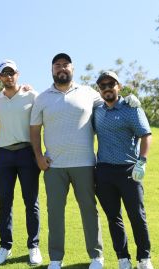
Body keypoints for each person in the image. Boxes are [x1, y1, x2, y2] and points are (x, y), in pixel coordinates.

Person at [30, 53, 105, 269]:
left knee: (89, 210)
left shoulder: (89, 93)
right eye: (57, 66)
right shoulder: (42, 98)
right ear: (52, 70)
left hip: (85, 164)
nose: (61, 68)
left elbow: (112, 103)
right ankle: (55, 259)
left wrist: (129, 100)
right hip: (54, 166)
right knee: (55, 212)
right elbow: (34, 130)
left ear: (72, 68)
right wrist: (38, 156)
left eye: (65, 65)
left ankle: (96, 256)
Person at [93, 71, 154, 269]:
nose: (107, 88)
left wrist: (142, 161)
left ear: (118, 86)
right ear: (99, 90)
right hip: (103, 172)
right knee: (113, 217)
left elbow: (146, 134)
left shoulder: (131, 108)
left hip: (128, 171)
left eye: (111, 83)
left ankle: (144, 258)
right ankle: (123, 258)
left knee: (137, 215)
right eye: (103, 85)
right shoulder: (98, 111)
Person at [0, 60, 42, 266]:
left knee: (31, 202)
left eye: (11, 73)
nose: (8, 76)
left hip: (26, 153)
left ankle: (33, 246)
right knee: (5, 203)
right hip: (4, 155)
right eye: (4, 73)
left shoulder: (32, 95)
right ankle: (5, 246)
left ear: (17, 74)